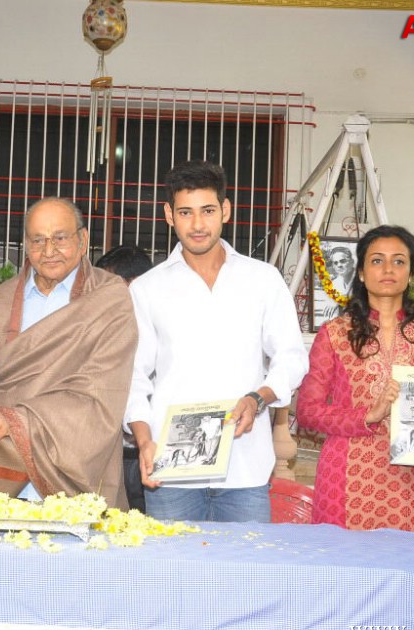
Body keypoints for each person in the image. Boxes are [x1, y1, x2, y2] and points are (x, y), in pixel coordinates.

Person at [126, 161, 307, 523]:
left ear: (225, 210)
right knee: (172, 577)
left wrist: (258, 398)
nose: (197, 224)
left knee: (246, 578)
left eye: (207, 211)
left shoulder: (263, 280)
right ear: (168, 215)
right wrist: (144, 441)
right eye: (185, 212)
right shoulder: (147, 289)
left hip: (245, 471)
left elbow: (291, 358)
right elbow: (133, 377)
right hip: (172, 471)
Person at [0, 198, 138, 509]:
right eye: (38, 240)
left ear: (82, 241)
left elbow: (101, 394)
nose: (49, 250)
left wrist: (16, 419)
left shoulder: (109, 299)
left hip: (74, 485)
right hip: (0, 489)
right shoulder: (0, 302)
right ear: (26, 245)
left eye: (60, 238)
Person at [296, 225, 414, 533]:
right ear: (363, 273)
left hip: (413, 482)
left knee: (413, 575)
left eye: (399, 261)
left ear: (411, 273)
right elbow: (307, 411)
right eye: (377, 260)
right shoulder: (335, 335)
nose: (388, 269)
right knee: (345, 575)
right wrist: (368, 415)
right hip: (347, 476)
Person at [95, 244, 153, 512]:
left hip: (148, 454)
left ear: (138, 284)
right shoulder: (100, 328)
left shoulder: (159, 329)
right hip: (108, 457)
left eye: (112, 287)